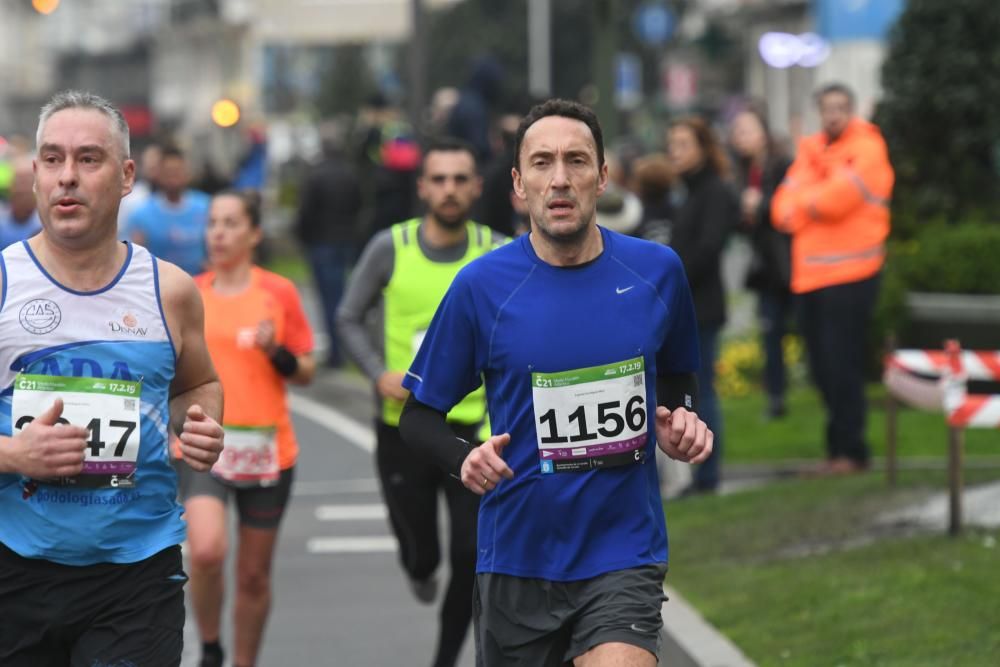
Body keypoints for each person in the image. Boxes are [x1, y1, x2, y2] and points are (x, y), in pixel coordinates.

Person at [398, 99, 713, 667]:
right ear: (519, 184)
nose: (560, 179)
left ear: (603, 177)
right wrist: (464, 458)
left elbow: (678, 374)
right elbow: (417, 417)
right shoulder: (482, 288)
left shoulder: (656, 271)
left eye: (576, 161)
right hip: (518, 559)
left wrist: (680, 417)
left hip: (623, 553)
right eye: (542, 163)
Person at [0, 90, 224, 666]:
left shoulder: (170, 290)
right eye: (52, 160)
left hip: (136, 577)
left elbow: (197, 384)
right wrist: (13, 454)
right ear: (34, 174)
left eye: (88, 159)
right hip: (14, 569)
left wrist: (201, 422)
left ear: (126, 176)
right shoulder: (2, 283)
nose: (67, 177)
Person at [337, 137, 506, 667]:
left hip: (473, 432)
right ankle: (417, 567)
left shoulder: (497, 251)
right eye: (440, 180)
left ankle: (445, 657)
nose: (450, 190)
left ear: (477, 187)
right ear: (422, 188)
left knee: (471, 556)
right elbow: (347, 316)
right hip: (403, 428)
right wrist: (377, 374)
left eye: (461, 179)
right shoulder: (391, 247)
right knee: (423, 554)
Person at [178, 189, 315, 667]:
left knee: (254, 576)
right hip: (203, 446)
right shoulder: (187, 292)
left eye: (231, 223)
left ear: (254, 234)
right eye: (213, 222)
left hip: (267, 449)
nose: (218, 232)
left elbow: (306, 369)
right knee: (208, 550)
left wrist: (277, 352)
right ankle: (211, 647)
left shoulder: (278, 292)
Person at [772, 83, 894, 474]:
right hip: (810, 279)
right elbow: (780, 210)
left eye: (842, 107)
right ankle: (836, 450)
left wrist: (807, 203)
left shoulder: (869, 148)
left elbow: (837, 200)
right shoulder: (810, 151)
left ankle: (852, 451)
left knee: (843, 367)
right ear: (819, 112)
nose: (834, 114)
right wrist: (812, 204)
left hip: (853, 274)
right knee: (822, 368)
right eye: (827, 108)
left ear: (852, 110)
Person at [667, 117, 738, 494]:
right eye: (671, 144)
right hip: (688, 305)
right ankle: (700, 474)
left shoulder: (713, 191)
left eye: (682, 143)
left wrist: (672, 280)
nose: (674, 151)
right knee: (692, 391)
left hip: (701, 306)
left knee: (703, 391)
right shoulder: (689, 192)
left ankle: (707, 475)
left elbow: (708, 248)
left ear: (702, 147)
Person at [729, 107, 793, 419]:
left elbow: (790, 208)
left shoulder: (782, 164)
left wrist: (761, 204)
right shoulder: (740, 172)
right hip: (766, 268)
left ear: (763, 132)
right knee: (770, 333)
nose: (741, 137)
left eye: (747, 129)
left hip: (790, 264)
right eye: (737, 131)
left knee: (803, 329)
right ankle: (776, 398)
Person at [295, 121, 363, 368]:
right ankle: (344, 351)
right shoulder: (350, 174)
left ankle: (336, 354)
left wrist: (303, 238)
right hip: (345, 241)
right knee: (346, 298)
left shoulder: (315, 175)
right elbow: (358, 204)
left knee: (328, 299)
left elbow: (306, 212)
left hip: (321, 242)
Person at [127, 145, 211, 275]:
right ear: (159, 174)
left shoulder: (206, 206)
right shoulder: (142, 215)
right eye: (168, 172)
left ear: (187, 172)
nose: (173, 177)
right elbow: (137, 261)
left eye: (178, 171)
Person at [0, 156, 42, 249]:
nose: (22, 188)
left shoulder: (44, 225)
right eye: (18, 181)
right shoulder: (2, 221)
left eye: (27, 181)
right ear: (10, 186)